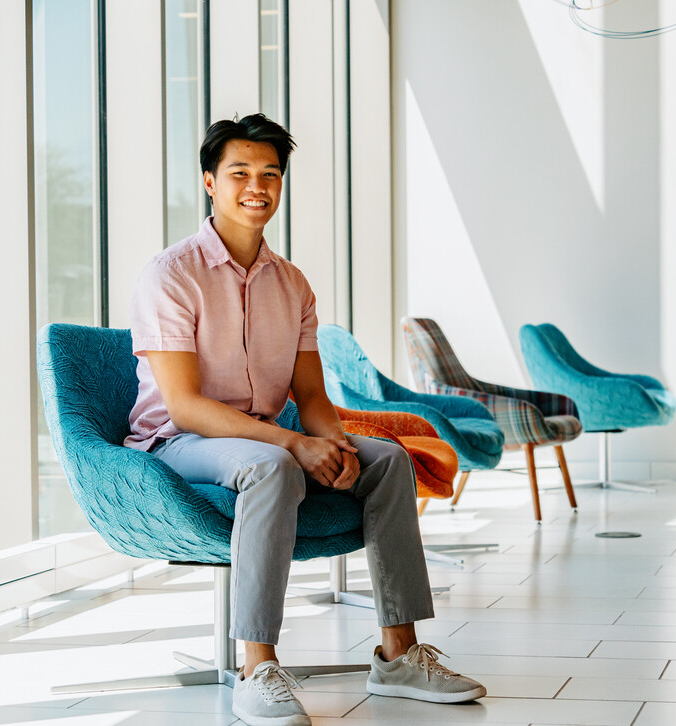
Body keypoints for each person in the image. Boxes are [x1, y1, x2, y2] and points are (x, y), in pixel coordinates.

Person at [124, 113, 486, 726]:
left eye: (269, 174)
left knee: (389, 459)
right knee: (271, 465)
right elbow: (184, 406)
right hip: (181, 440)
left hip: (265, 434)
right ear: (210, 181)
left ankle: (398, 653)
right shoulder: (172, 273)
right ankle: (257, 665)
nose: (255, 186)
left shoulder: (292, 284)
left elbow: (312, 396)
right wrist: (295, 443)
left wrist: (336, 444)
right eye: (239, 172)